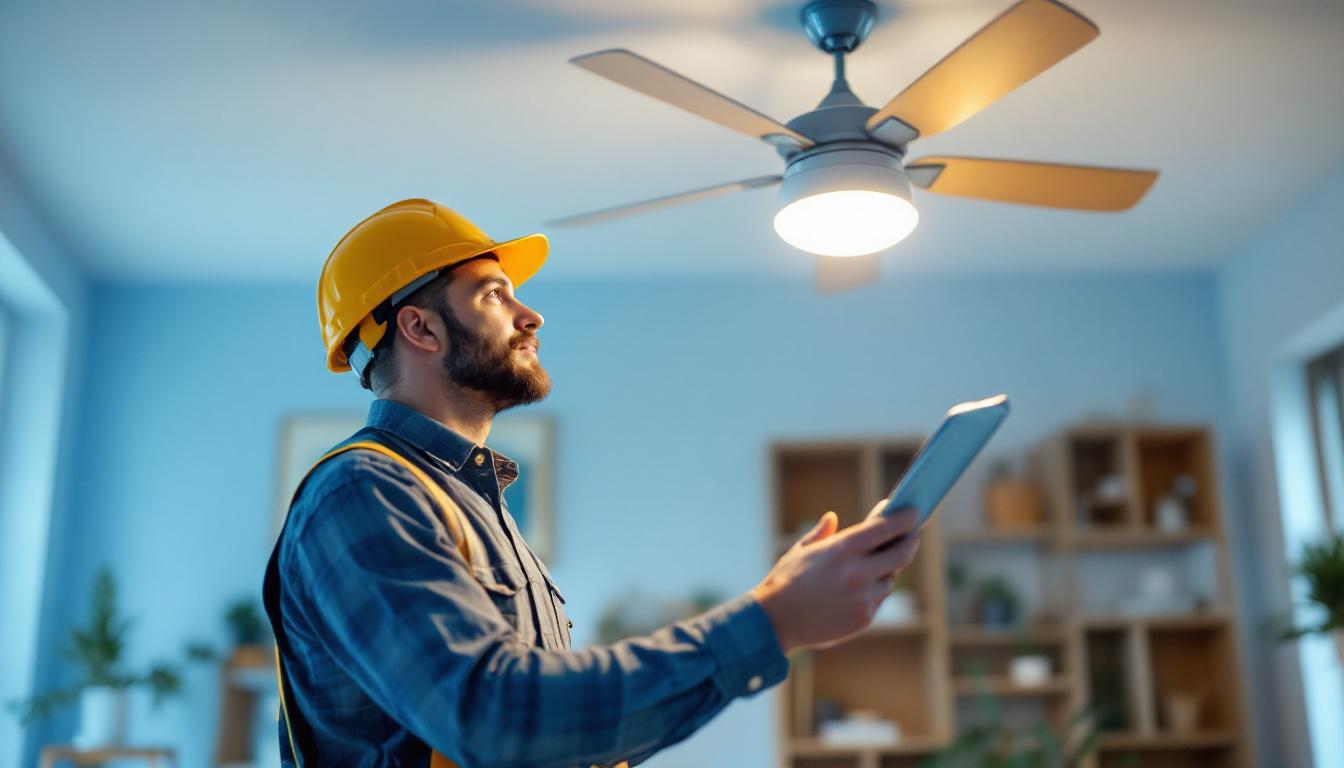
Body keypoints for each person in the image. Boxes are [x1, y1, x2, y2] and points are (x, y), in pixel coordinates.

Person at [262, 199, 922, 768]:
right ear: (420, 327)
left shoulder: (469, 504)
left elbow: (540, 731)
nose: (531, 315)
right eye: (494, 294)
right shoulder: (360, 492)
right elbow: (494, 717)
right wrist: (772, 620)